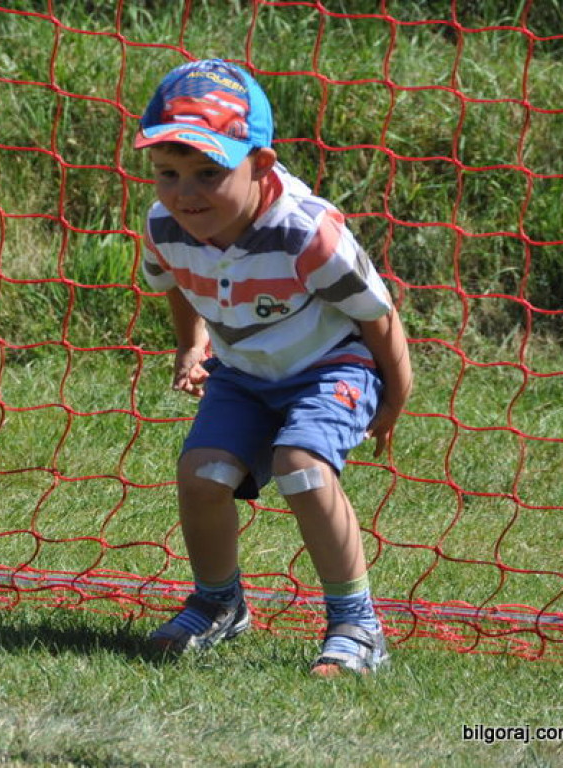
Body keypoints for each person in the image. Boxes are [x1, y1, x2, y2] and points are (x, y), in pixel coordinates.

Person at [134, 59, 412, 676]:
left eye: (209, 173)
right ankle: (219, 605)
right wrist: (191, 345)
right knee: (200, 475)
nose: (185, 193)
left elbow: (379, 316)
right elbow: (177, 283)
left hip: (332, 364)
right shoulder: (165, 226)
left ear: (260, 165)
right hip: (242, 372)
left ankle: (357, 626)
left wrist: (394, 398)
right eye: (168, 173)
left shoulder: (306, 234)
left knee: (302, 469)